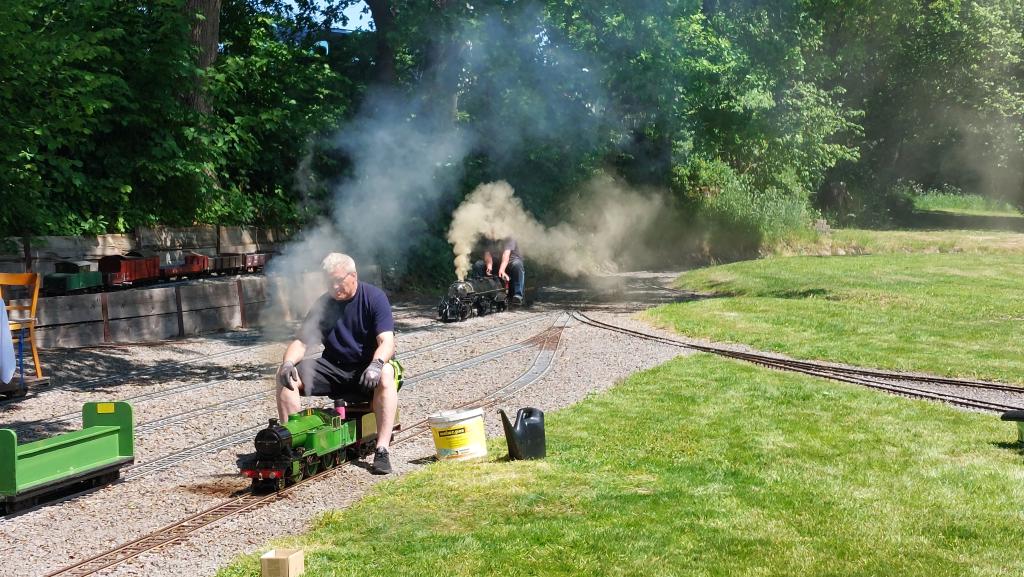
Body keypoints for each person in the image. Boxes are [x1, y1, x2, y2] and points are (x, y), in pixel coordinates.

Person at [275, 253, 399, 475]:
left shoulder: (374, 298)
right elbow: (302, 341)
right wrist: (287, 363)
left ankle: (382, 449)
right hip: (333, 368)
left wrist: (377, 363)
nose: (334, 286)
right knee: (286, 377)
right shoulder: (323, 304)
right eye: (329, 281)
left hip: (365, 370)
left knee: (387, 373)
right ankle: (289, 443)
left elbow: (387, 341)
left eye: (339, 280)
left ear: (354, 276)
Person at [471, 234, 525, 305]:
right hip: (496, 261)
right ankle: (478, 293)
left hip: (510, 261)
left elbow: (506, 255)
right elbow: (487, 253)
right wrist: (489, 265)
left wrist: (502, 270)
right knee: (479, 265)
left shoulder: (509, 237)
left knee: (517, 265)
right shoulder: (489, 237)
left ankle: (518, 295)